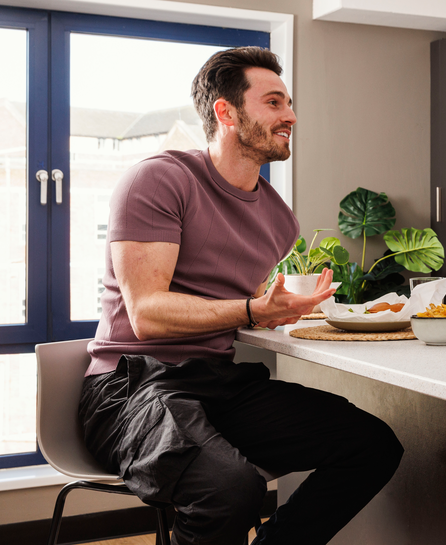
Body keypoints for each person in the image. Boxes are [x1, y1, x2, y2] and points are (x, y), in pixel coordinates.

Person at [79, 47, 403, 545]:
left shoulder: (279, 218)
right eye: (273, 102)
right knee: (231, 491)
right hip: (133, 385)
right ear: (225, 113)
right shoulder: (160, 181)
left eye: (289, 103)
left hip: (216, 382)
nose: (290, 115)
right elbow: (147, 316)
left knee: (371, 445)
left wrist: (274, 314)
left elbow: (237, 305)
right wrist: (254, 309)